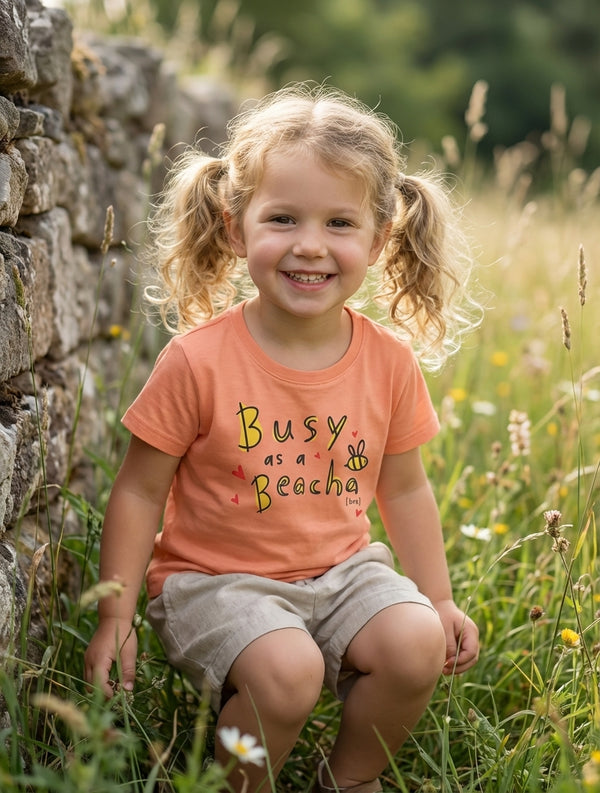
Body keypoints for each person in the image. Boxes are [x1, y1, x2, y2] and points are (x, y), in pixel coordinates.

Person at [84, 83, 480, 793]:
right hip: (215, 582)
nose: (309, 246)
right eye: (283, 218)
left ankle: (350, 778)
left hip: (341, 571)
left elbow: (405, 485)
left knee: (415, 640)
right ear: (236, 228)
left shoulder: (387, 361)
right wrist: (115, 614)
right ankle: (242, 784)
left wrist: (440, 597)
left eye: (338, 223)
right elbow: (141, 490)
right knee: (288, 670)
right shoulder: (198, 359)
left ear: (378, 237)